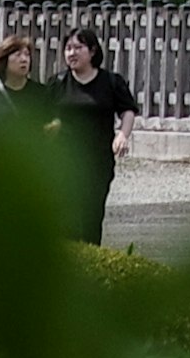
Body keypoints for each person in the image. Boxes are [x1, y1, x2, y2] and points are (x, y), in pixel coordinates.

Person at [47, 25, 138, 244]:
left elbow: (127, 110)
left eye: (78, 47)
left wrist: (123, 135)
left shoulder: (111, 82)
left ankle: (90, 265)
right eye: (68, 48)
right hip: (62, 161)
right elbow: (43, 116)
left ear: (93, 51)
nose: (72, 53)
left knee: (90, 217)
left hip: (97, 162)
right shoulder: (57, 83)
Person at [0, 28, 53, 188]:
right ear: (4, 60)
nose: (24, 59)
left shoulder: (42, 94)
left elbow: (55, 127)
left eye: (27, 55)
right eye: (18, 55)